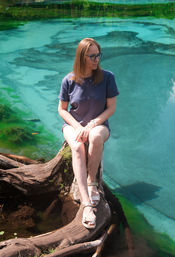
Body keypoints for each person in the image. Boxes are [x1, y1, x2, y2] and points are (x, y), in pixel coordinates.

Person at [58, 37, 119, 229]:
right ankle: (86, 204)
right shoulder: (68, 80)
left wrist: (92, 124)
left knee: (94, 136)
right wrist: (77, 127)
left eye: (98, 55)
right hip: (73, 125)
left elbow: (110, 109)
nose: (96, 59)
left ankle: (92, 182)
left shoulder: (107, 77)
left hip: (98, 125)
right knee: (76, 146)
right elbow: (61, 109)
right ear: (82, 57)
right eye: (92, 56)